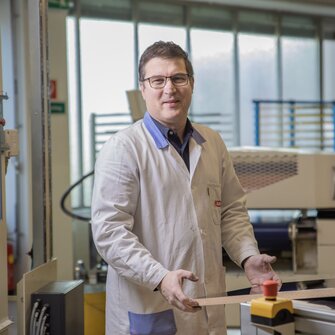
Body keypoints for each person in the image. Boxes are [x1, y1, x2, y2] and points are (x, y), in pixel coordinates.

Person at [91, 41, 281, 335]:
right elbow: (109, 232)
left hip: (206, 305)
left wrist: (247, 256)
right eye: (158, 80)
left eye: (179, 78)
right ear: (143, 88)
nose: (170, 88)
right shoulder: (123, 148)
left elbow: (230, 209)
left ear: (191, 83)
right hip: (149, 305)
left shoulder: (211, 142)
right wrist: (159, 276)